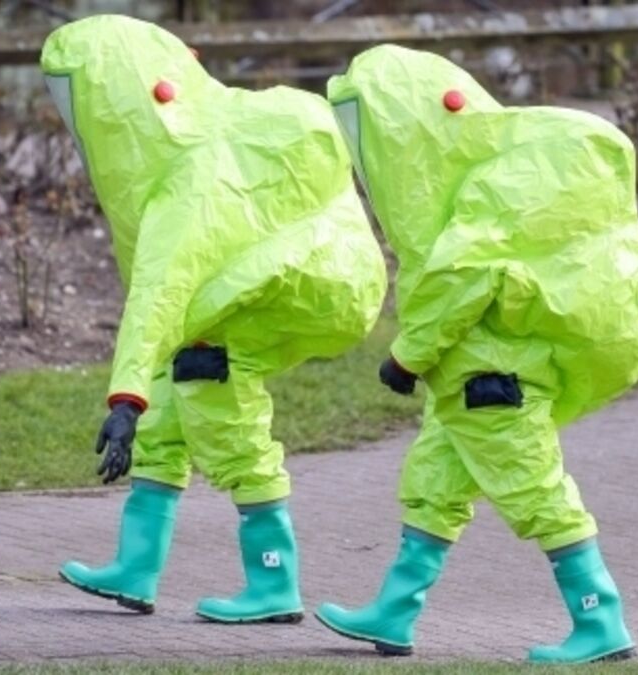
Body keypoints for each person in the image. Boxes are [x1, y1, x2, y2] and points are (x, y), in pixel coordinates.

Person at [316, 45, 638, 663]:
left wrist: (406, 357)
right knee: (434, 486)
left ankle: (600, 620)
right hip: (470, 377)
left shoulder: (486, 192)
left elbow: (460, 278)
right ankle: (394, 612)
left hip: (492, 378)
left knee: (535, 491)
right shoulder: (478, 185)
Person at [40, 15, 386, 623]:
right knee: (166, 415)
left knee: (220, 404)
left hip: (269, 295)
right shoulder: (198, 144)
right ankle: (136, 568)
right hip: (267, 286)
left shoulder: (191, 177)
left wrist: (123, 400)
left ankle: (274, 583)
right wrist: (141, 403)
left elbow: (160, 290)